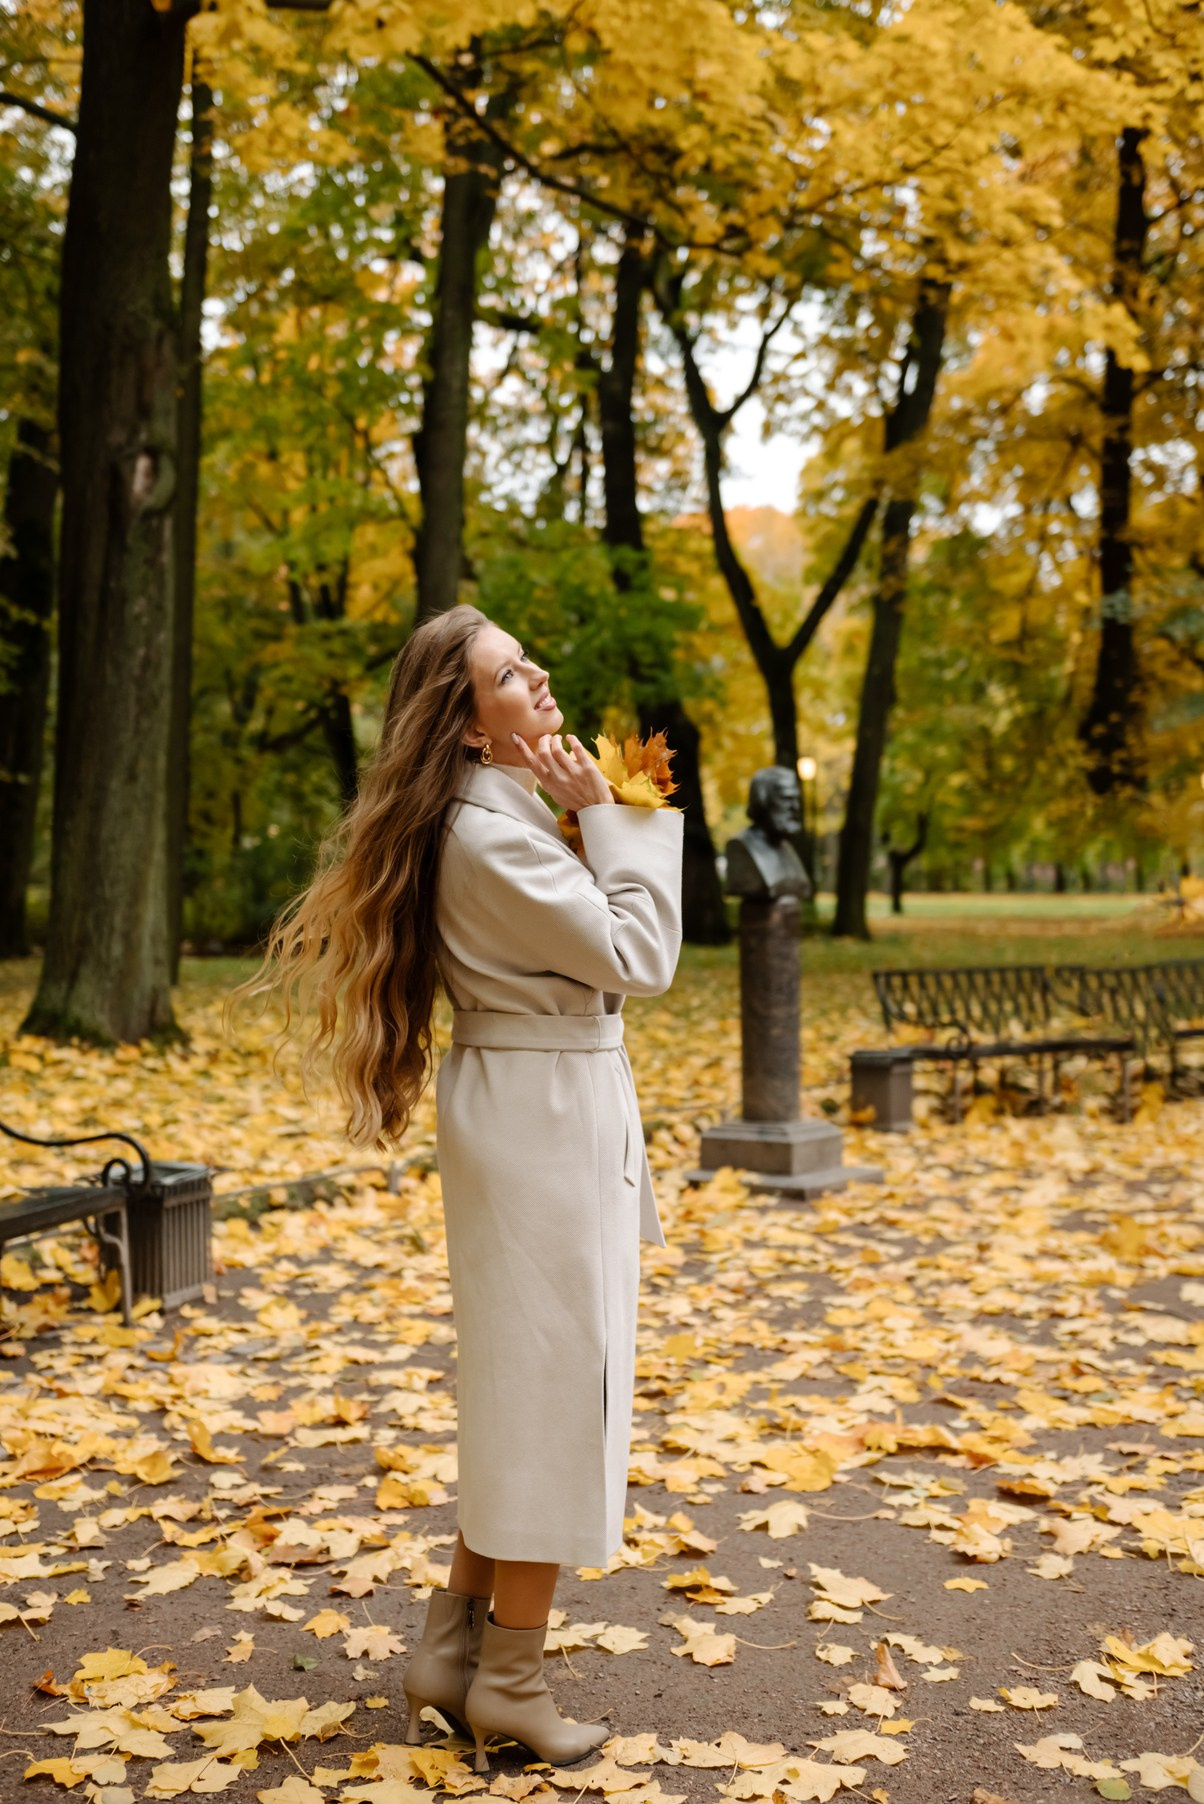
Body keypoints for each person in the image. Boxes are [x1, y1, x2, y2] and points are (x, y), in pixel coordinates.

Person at [230, 604, 683, 1772]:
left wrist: (581, 820)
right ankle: (513, 1684)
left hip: (526, 1103)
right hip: (540, 1116)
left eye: (531, 661)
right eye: (507, 674)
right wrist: (612, 816)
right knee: (552, 1400)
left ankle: (452, 1654)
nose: (538, 679)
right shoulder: (499, 833)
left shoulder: (490, 818)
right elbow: (642, 958)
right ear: (468, 726)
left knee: (522, 1390)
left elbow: (580, 947)